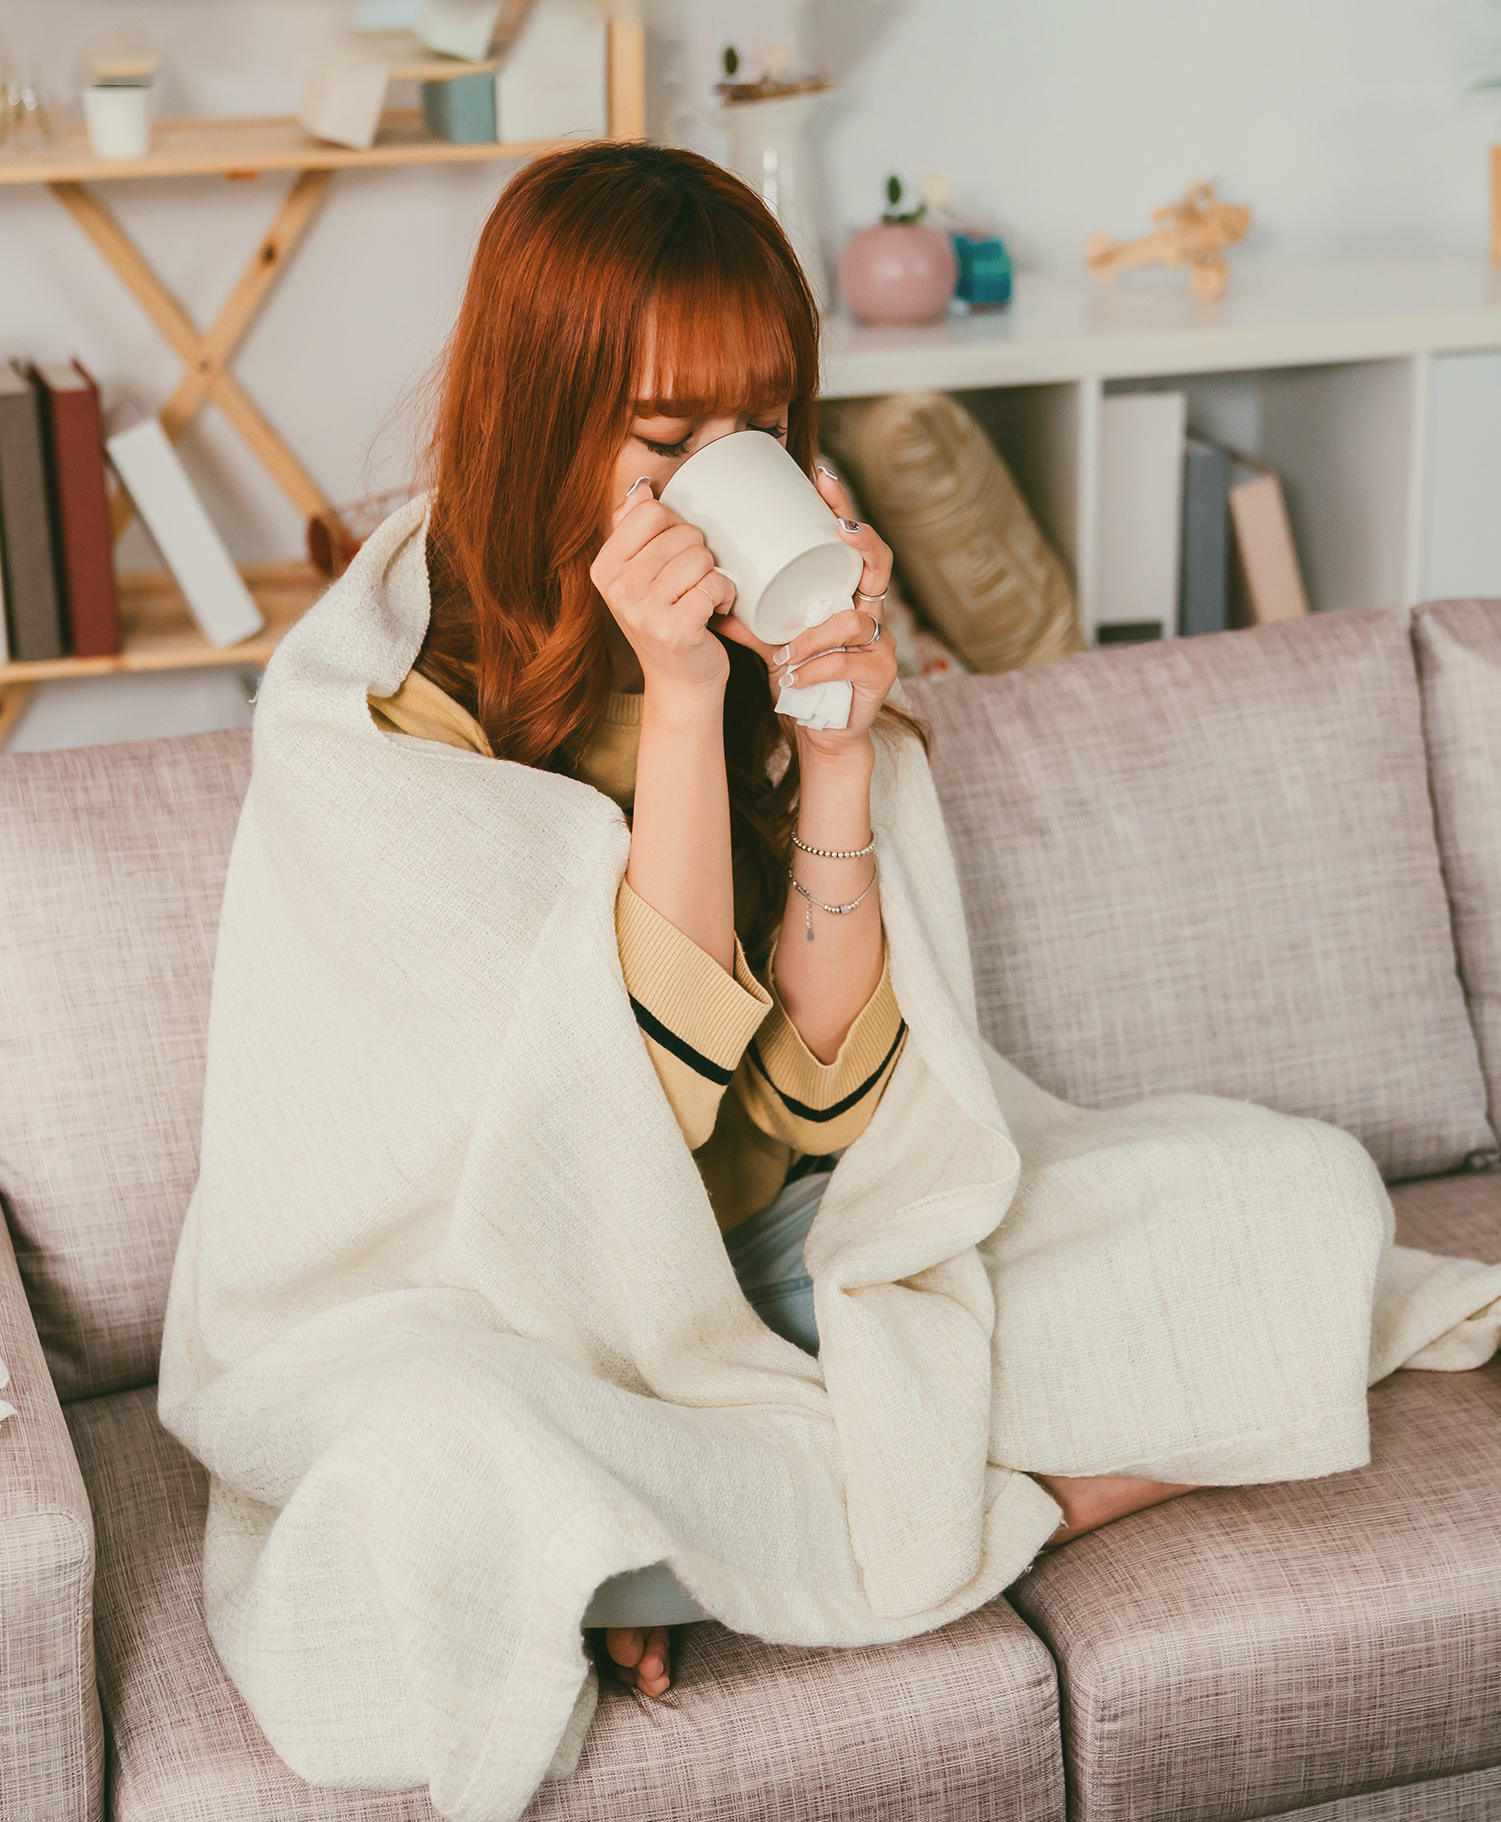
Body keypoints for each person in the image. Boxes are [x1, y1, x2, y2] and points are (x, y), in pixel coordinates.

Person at [374, 141, 1193, 1700]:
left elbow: (829, 1094)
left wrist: (828, 746)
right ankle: (830, 1506)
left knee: (1283, 1208)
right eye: (670, 438)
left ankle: (763, 1529)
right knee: (437, 1449)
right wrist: (679, 703)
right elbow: (624, 1139)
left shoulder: (765, 635)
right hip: (558, 1297)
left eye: (758, 429)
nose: (720, 472)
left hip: (786, 1244)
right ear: (541, 411)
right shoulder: (409, 709)